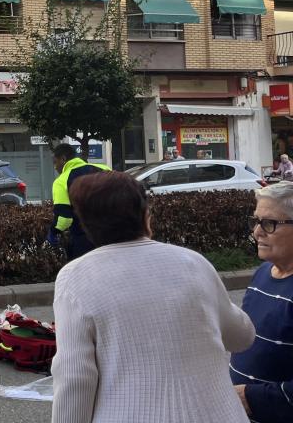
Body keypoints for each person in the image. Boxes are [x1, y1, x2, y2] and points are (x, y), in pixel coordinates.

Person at [51, 171, 255, 423]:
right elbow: (242, 337)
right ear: (145, 215)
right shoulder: (192, 262)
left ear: (85, 224)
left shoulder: (75, 277)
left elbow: (74, 377)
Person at [230, 181, 293, 423]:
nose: (257, 232)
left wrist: (248, 397)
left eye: (269, 223)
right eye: (255, 221)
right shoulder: (263, 272)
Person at [47, 143, 108, 260]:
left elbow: (64, 218)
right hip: (112, 236)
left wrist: (53, 232)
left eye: (55, 162)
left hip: (83, 240)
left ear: (63, 159)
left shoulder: (61, 181)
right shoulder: (105, 169)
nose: (55, 167)